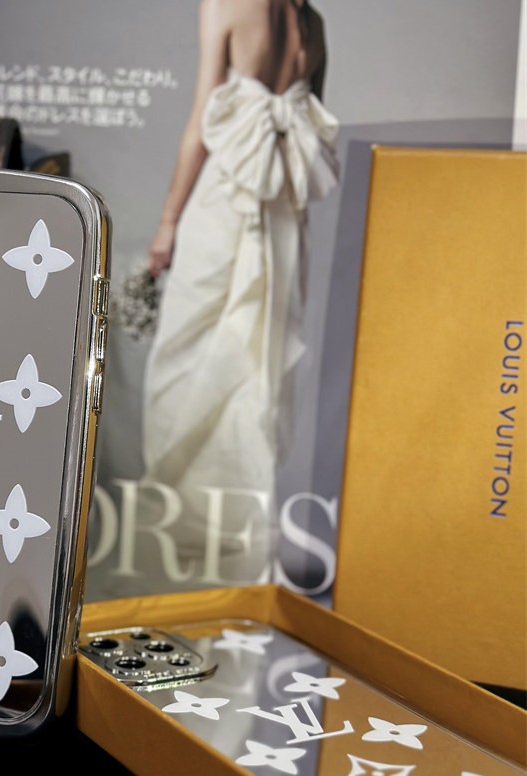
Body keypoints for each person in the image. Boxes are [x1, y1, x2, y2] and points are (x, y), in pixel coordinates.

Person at [138, 0, 340, 587]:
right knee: (258, 362)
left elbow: (202, 120)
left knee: (184, 358)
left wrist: (169, 221)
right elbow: (309, 123)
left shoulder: (226, 3)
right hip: (283, 213)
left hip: (225, 201)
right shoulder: (314, 25)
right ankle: (230, 538)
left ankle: (177, 539)